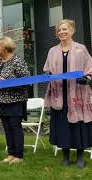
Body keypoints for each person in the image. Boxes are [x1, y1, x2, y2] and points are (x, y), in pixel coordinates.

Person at [44, 19, 92, 168]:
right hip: (59, 94)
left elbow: (89, 68)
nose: (61, 32)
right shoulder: (52, 50)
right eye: (59, 30)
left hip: (77, 94)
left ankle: (79, 157)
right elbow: (47, 69)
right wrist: (48, 74)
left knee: (78, 125)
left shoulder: (81, 49)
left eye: (64, 29)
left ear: (72, 30)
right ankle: (65, 156)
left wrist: (87, 78)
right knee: (63, 126)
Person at [0, 36, 29, 164]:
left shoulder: (17, 61)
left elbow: (27, 81)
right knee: (6, 128)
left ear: (6, 48)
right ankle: (11, 154)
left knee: (15, 127)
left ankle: (18, 156)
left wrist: (8, 82)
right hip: (1, 100)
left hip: (15, 101)